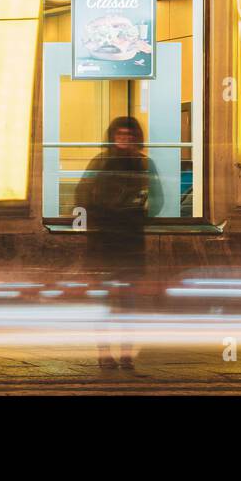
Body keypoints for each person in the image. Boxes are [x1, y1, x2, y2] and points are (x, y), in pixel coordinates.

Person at [74, 116, 158, 370]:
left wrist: (139, 215)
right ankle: (105, 353)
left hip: (128, 239)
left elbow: (157, 197)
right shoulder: (103, 161)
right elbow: (82, 192)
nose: (125, 139)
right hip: (106, 239)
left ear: (137, 138)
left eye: (130, 136)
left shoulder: (143, 164)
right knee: (105, 301)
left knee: (127, 302)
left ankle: (125, 353)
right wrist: (90, 221)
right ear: (112, 137)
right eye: (120, 135)